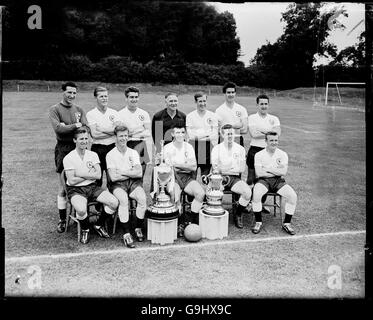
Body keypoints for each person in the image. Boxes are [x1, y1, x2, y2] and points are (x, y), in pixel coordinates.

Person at [63, 127, 119, 244]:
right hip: (76, 190)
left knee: (114, 202)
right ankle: (85, 229)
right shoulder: (69, 157)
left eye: (86, 138)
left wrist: (80, 174)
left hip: (92, 187)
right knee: (82, 210)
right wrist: (89, 174)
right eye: (81, 139)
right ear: (75, 140)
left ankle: (98, 225)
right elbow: (72, 181)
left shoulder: (93, 154)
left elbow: (98, 175)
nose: (84, 141)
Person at [48, 81, 89, 234]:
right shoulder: (54, 109)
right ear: (63, 92)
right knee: (63, 188)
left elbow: (86, 127)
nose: (72, 96)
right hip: (63, 149)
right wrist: (75, 125)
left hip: (80, 149)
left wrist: (70, 126)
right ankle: (62, 219)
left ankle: (83, 212)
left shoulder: (79, 109)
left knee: (83, 181)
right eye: (69, 92)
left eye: (74, 93)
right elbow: (59, 130)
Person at [106, 125, 147, 248]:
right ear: (116, 137)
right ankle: (126, 233)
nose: (123, 138)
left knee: (142, 198)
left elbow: (139, 173)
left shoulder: (133, 152)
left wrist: (122, 172)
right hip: (117, 185)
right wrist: (130, 172)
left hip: (133, 183)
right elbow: (113, 177)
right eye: (121, 136)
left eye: (125, 136)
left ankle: (138, 228)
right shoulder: (110, 154)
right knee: (123, 200)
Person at [251, 131, 297, 235]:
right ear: (266, 141)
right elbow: (259, 173)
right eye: (271, 140)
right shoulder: (259, 155)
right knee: (256, 194)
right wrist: (275, 171)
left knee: (292, 196)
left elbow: (283, 172)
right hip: (263, 181)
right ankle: (258, 222)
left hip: (278, 181)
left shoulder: (282, 154)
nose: (274, 143)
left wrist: (268, 169)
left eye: (276, 140)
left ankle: (287, 223)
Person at [163, 123, 205, 236]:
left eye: (182, 132)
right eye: (177, 132)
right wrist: (184, 164)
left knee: (200, 193)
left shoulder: (189, 147)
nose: (180, 135)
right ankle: (178, 223)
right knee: (175, 196)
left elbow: (193, 167)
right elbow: (167, 168)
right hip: (172, 177)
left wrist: (177, 164)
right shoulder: (167, 148)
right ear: (172, 134)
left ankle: (191, 221)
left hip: (187, 177)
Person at [211, 124, 252, 229]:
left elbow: (241, 169)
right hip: (219, 179)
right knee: (212, 194)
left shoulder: (240, 149)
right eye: (228, 134)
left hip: (234, 179)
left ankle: (238, 214)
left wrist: (225, 168)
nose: (230, 136)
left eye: (231, 134)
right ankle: (214, 214)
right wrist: (231, 168)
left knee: (247, 193)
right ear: (222, 134)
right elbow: (216, 169)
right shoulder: (216, 149)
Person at [246, 94, 281, 214]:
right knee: (251, 178)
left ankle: (261, 203)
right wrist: (269, 133)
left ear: (268, 104)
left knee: (264, 178)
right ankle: (249, 202)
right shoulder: (252, 117)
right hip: (255, 150)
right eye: (261, 104)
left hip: (268, 152)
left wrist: (263, 132)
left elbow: (277, 134)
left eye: (266, 104)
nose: (264, 106)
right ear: (257, 105)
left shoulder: (274, 118)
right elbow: (253, 134)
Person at [86, 86, 122, 187]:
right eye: (101, 96)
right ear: (95, 98)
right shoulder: (91, 114)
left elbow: (118, 131)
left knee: (113, 179)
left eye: (106, 96)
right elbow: (94, 135)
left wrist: (101, 129)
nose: (104, 98)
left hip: (112, 147)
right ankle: (98, 202)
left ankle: (114, 201)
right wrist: (112, 131)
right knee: (97, 179)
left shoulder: (114, 113)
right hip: (97, 149)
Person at [118, 86, 151, 178]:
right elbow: (120, 133)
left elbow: (148, 132)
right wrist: (139, 130)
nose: (134, 99)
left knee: (140, 173)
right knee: (126, 173)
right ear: (126, 98)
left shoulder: (144, 114)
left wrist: (131, 132)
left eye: (136, 97)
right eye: (131, 97)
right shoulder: (120, 114)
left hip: (141, 144)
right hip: (126, 144)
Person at [186, 91, 220, 179]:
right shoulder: (190, 116)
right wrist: (207, 134)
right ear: (195, 102)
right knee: (192, 177)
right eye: (200, 101)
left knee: (205, 178)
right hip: (194, 148)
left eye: (204, 101)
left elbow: (214, 135)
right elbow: (191, 136)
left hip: (208, 149)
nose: (202, 103)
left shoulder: (213, 115)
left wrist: (198, 135)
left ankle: (206, 192)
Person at [215, 82, 248, 147]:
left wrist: (228, 128)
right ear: (224, 94)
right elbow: (217, 130)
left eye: (233, 92)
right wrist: (237, 126)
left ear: (235, 93)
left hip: (238, 139)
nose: (231, 94)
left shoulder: (242, 109)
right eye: (228, 92)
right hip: (223, 140)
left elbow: (244, 130)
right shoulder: (218, 110)